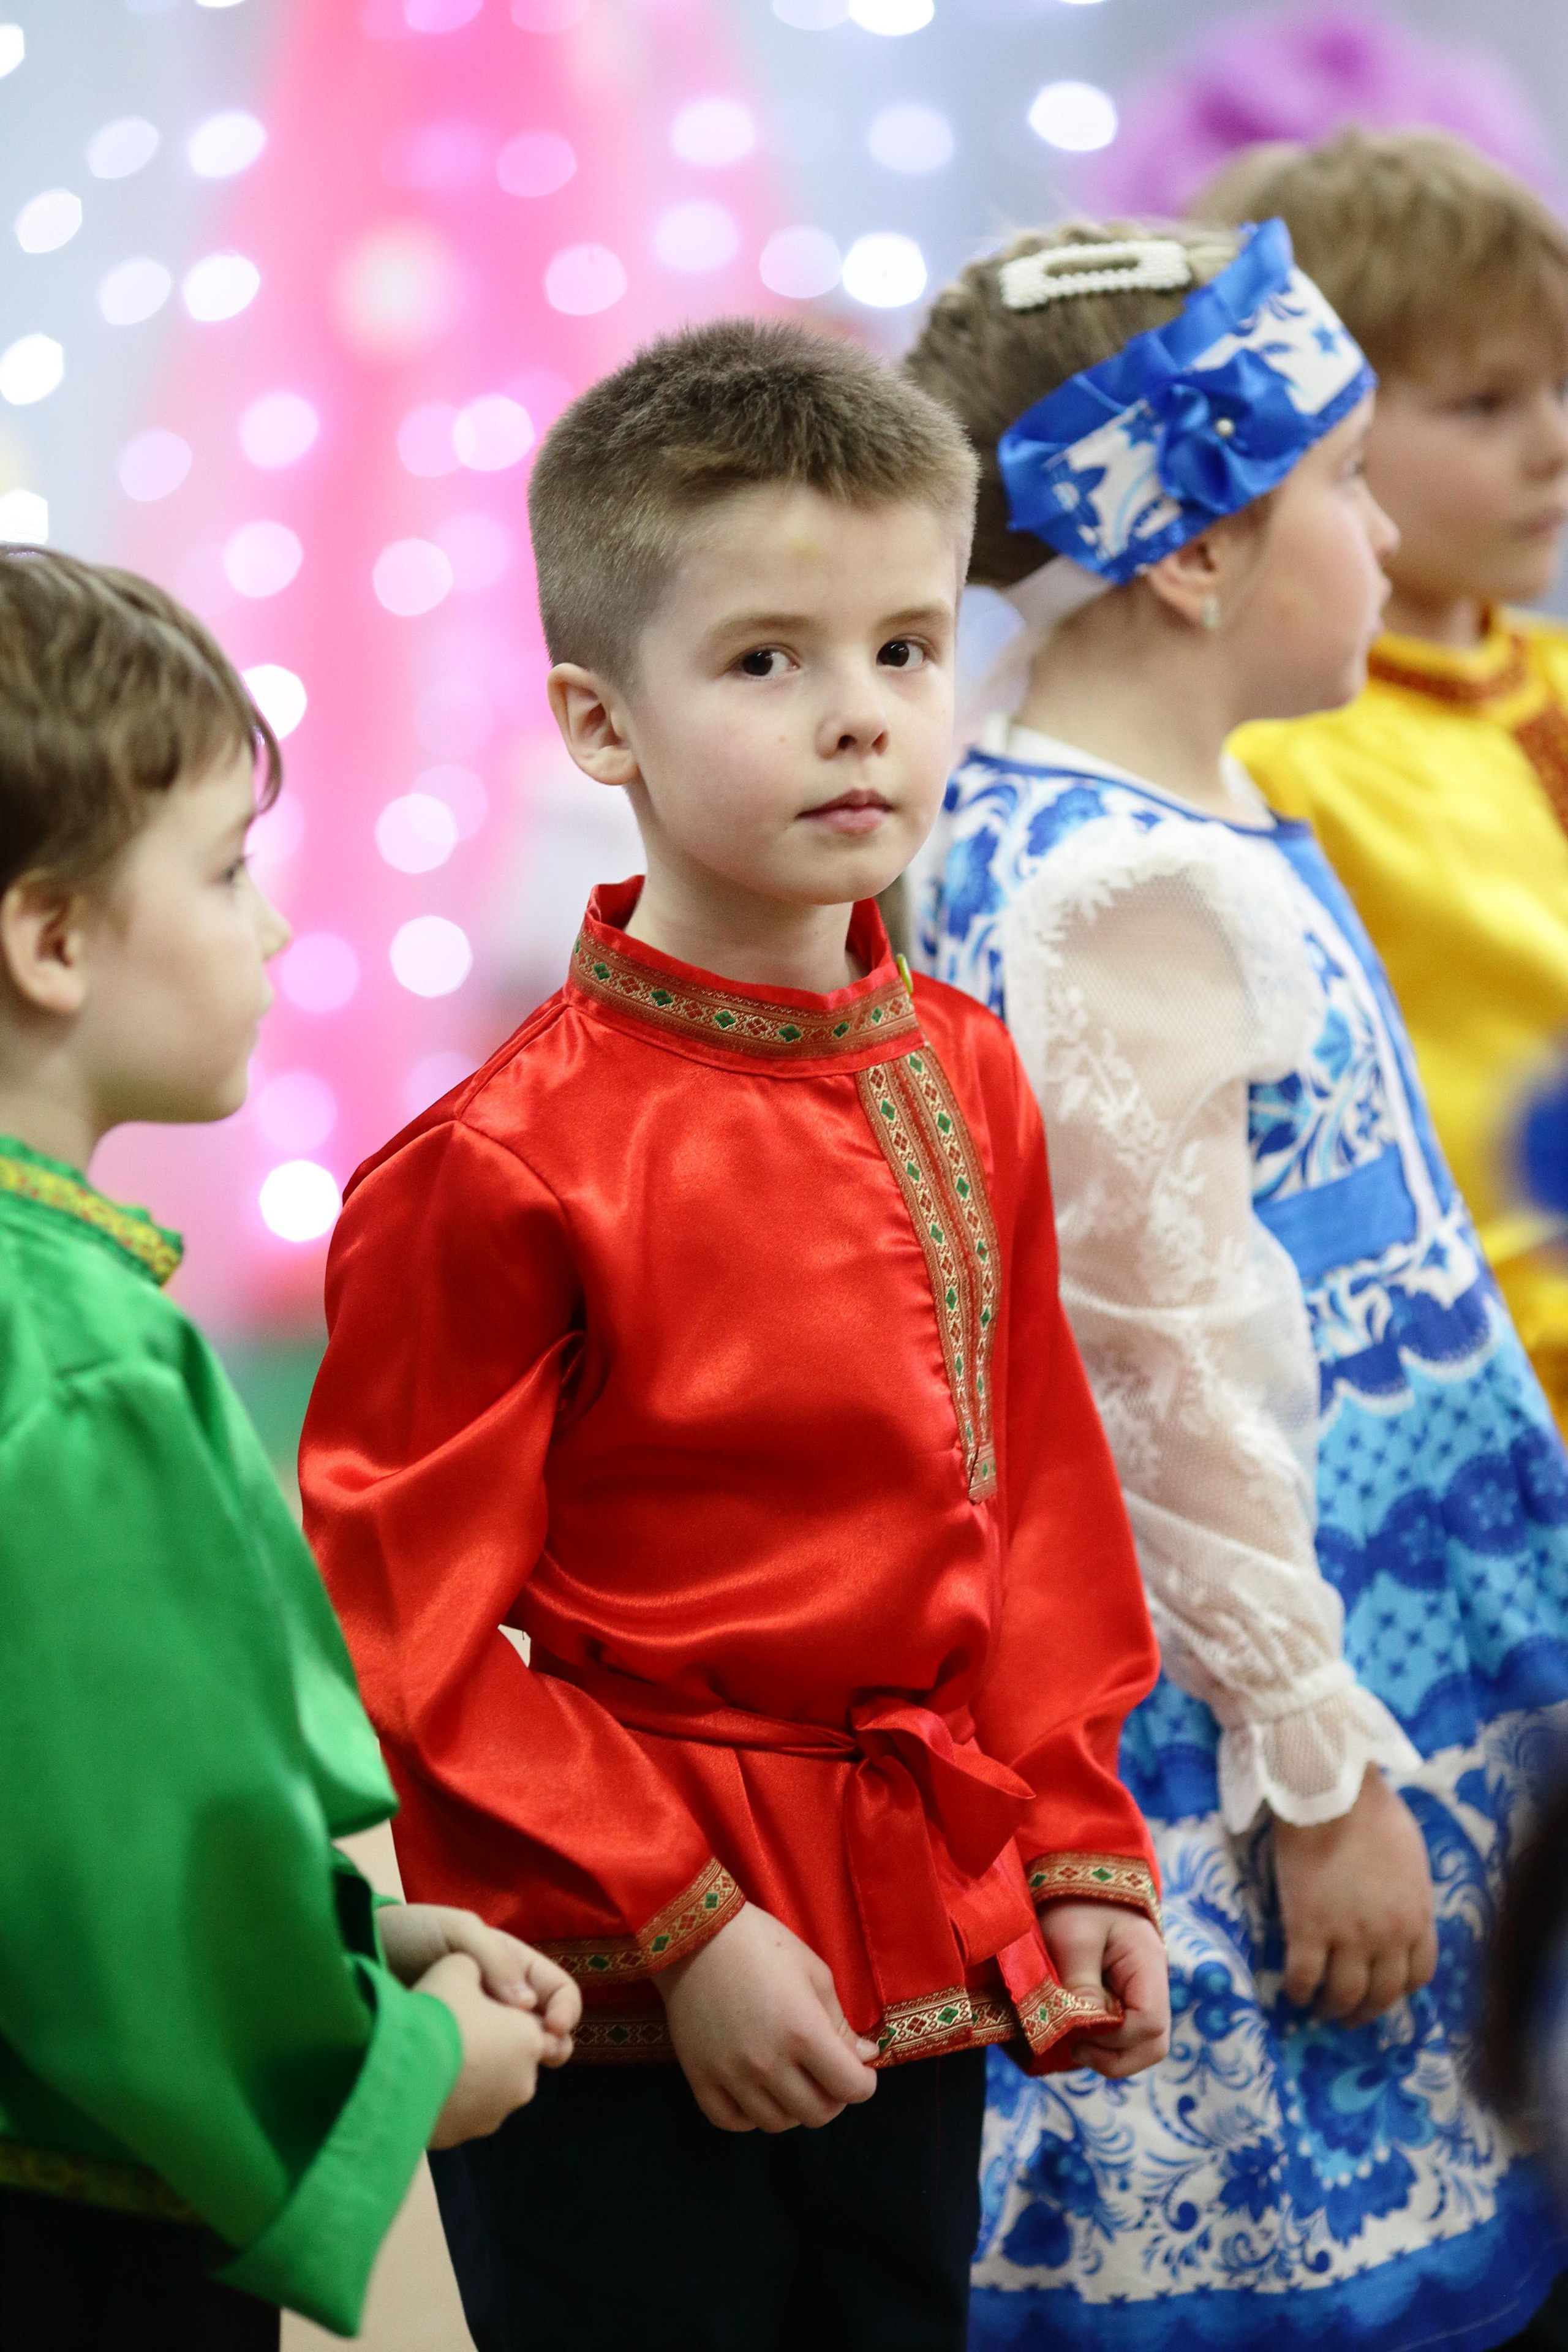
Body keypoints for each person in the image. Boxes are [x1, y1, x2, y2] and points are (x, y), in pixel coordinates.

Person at [298, 318, 1169, 2352]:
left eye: (904, 647)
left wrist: (1078, 1841)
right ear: (602, 726)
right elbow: (407, 1632)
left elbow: (1032, 1482)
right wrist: (676, 1932)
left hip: (922, 1931)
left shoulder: (966, 1068)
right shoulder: (501, 1165)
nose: (861, 717)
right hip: (623, 1981)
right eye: (768, 660)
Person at [909, 214, 1568, 2349]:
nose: (1387, 540)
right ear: (1194, 555)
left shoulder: (1127, 811)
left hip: (1375, 1610)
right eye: (1350, 488)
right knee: (1339, 2238)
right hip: (1280, 1693)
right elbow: (1161, 1377)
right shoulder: (1122, 890)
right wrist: (1318, 1770)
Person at [0, 550, 579, 2350]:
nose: (265, 930)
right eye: (223, 868)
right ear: (54, 938)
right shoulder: (78, 1362)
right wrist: (397, 2062)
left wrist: (356, 1938)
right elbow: (131, 1864)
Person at [1191, 129, 1568, 1438]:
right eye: (1481, 404)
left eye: (1558, 391)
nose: (1550, 445)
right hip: (1476, 1418)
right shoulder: (1270, 762)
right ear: (1307, 430)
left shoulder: (1551, 676)